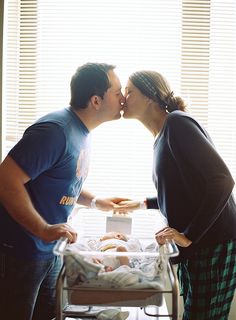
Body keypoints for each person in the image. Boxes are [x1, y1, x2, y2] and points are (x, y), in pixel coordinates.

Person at [0, 62, 126, 320]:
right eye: (118, 92)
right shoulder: (55, 131)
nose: (123, 98)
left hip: (49, 248)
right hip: (21, 250)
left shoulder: (81, 132)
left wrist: (95, 201)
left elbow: (61, 180)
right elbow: (5, 180)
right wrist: (42, 229)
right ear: (95, 100)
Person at [116, 70, 236, 319]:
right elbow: (184, 190)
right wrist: (141, 204)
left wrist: (188, 236)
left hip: (214, 243)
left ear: (150, 97)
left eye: (129, 92)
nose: (123, 98)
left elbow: (222, 180)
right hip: (197, 245)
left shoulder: (177, 123)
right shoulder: (161, 134)